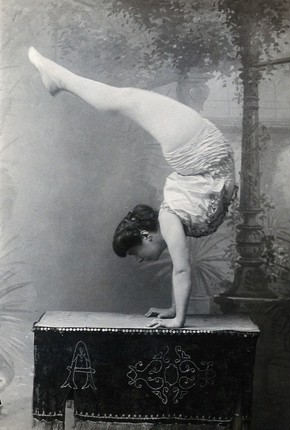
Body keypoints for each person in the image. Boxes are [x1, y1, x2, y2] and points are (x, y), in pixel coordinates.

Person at [28, 47, 236, 329]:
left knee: (124, 99)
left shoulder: (169, 218)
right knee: (124, 99)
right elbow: (182, 267)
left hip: (197, 148)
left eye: (136, 254)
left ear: (145, 236)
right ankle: (59, 78)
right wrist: (175, 313)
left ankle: (59, 78)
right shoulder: (171, 220)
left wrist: (178, 319)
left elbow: (182, 268)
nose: (141, 260)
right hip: (200, 150)